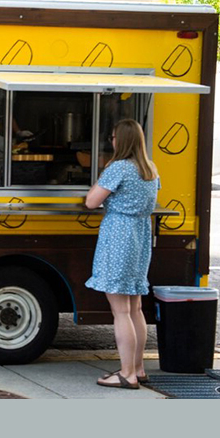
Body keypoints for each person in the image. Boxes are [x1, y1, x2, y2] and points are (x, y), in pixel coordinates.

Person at [84, 119, 160, 390]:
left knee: (120, 311)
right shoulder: (149, 169)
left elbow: (92, 201)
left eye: (114, 136)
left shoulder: (119, 168)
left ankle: (126, 374)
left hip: (118, 236)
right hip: (140, 238)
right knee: (135, 307)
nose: (111, 141)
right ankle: (138, 369)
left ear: (122, 140)